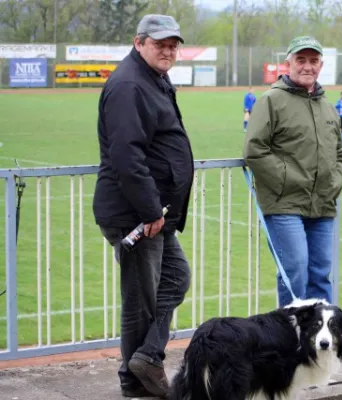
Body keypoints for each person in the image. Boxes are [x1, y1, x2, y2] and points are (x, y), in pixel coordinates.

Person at [92, 14, 193, 398]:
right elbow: (127, 157)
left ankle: (146, 356)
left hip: (154, 212)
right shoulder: (130, 85)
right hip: (136, 214)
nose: (168, 50)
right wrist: (151, 210)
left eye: (173, 44)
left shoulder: (152, 79)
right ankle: (134, 381)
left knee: (175, 278)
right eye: (159, 43)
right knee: (139, 301)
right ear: (139, 43)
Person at [243, 36, 342, 307]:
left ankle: (320, 338)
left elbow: (340, 153)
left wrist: (334, 182)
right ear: (288, 63)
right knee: (296, 273)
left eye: (313, 61)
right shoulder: (271, 101)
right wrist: (288, 179)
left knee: (320, 276)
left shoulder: (327, 105)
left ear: (321, 65)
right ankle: (290, 337)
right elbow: (255, 149)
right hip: (284, 204)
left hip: (323, 204)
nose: (307, 66)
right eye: (301, 60)